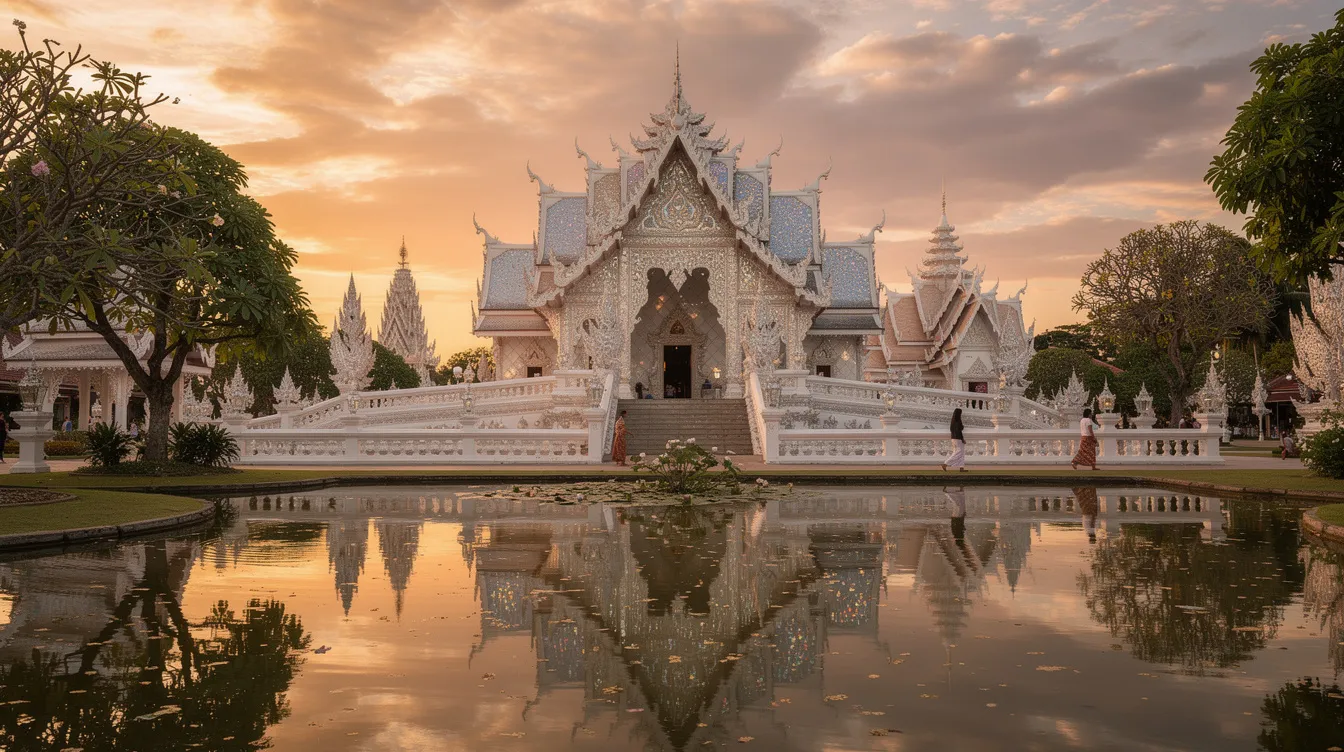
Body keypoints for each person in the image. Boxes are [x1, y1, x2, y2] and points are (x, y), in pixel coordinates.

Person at [941, 407, 967, 472]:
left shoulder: (953, 421)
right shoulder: (958, 421)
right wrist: (962, 439)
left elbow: (953, 430)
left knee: (960, 453)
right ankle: (946, 463)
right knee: (958, 452)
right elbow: (959, 430)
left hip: (953, 438)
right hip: (958, 439)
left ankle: (961, 468)